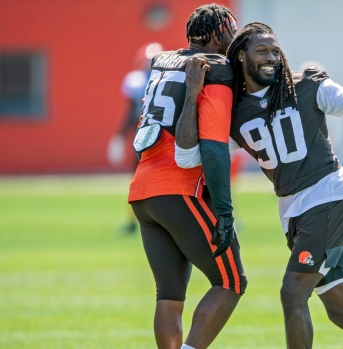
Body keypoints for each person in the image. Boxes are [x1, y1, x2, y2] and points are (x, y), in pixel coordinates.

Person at [177, 22, 343, 349]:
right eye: (262, 50)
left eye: (276, 50)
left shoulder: (305, 84)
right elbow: (190, 157)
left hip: (330, 197)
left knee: (292, 293)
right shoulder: (233, 109)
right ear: (241, 55)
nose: (272, 56)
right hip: (294, 210)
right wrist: (191, 97)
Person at [128, 5, 247, 349]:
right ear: (213, 35)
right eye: (229, 32)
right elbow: (211, 148)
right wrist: (224, 211)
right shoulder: (215, 68)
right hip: (178, 187)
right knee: (231, 281)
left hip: (143, 189)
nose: (233, 39)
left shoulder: (164, 61)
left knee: (169, 294)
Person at [108, 42, 163, 234]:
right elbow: (131, 112)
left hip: (160, 139)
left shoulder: (166, 80)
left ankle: (149, 220)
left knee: (152, 181)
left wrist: (120, 137)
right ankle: (137, 220)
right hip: (146, 138)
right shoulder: (141, 81)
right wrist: (120, 137)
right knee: (140, 181)